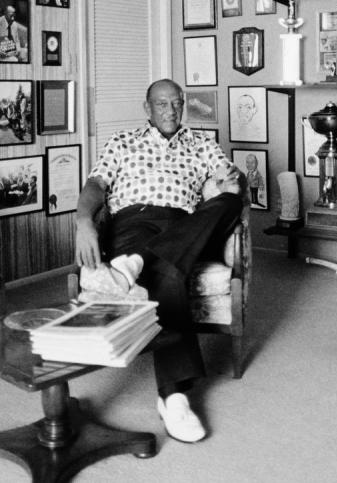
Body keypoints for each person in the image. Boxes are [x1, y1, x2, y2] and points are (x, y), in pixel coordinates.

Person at [74, 78, 244, 444]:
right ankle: (174, 396)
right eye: (162, 104)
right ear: (147, 108)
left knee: (230, 203)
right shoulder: (122, 142)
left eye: (177, 103)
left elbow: (231, 181)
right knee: (169, 271)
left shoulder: (202, 144)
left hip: (183, 223)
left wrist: (232, 180)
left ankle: (133, 264)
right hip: (132, 223)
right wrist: (83, 219)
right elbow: (95, 186)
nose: (171, 110)